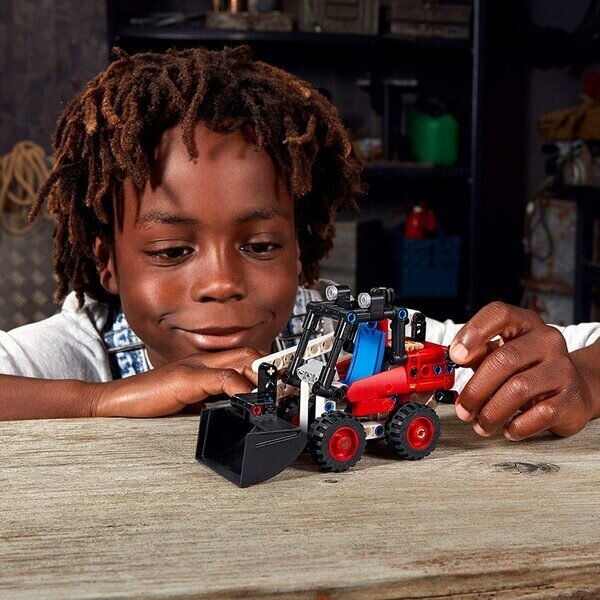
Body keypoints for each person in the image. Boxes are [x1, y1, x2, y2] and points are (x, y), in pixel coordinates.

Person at [0, 46, 599, 442]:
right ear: (107, 262)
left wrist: (579, 378)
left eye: (261, 245)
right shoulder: (79, 352)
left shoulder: (338, 334)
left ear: (301, 248)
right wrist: (96, 402)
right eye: (171, 251)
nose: (221, 282)